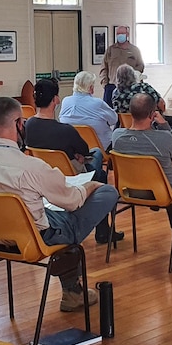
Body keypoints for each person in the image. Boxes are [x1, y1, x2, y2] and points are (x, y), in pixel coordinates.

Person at [0, 97, 119, 312]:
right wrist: (89, 187)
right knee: (104, 194)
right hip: (34, 239)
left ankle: (72, 286)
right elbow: (73, 201)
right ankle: (72, 289)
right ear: (19, 124)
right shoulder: (31, 166)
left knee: (53, 215)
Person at [25, 78, 121, 244]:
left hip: (43, 171)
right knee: (97, 157)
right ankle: (103, 230)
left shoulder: (28, 125)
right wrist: (78, 155)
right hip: (71, 174)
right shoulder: (65, 130)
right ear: (56, 100)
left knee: (99, 172)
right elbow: (84, 150)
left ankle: (103, 228)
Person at [111, 93, 172, 250]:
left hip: (128, 192)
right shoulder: (162, 138)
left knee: (167, 167)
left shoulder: (117, 137)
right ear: (152, 115)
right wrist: (164, 124)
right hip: (160, 192)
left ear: (131, 112)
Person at [59, 70, 118, 151]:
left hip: (74, 149)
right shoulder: (98, 103)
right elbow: (114, 119)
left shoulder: (66, 101)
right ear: (90, 88)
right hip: (101, 148)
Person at [99, 25, 144, 106]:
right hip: (113, 85)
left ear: (127, 34)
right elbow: (103, 68)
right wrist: (105, 84)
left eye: (122, 33)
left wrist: (133, 75)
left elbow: (141, 66)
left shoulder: (134, 50)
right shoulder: (111, 50)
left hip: (130, 87)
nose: (120, 35)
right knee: (109, 112)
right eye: (118, 33)